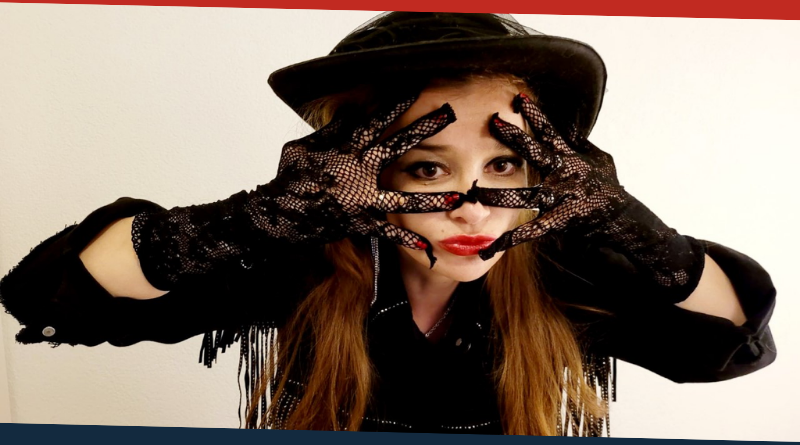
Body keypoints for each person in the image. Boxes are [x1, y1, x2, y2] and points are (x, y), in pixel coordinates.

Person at [0, 12, 776, 436]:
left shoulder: (567, 269)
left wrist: (633, 233)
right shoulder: (300, 260)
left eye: (505, 163)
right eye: (428, 168)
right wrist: (259, 217)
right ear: (356, 170)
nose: (472, 204)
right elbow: (57, 292)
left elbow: (734, 336)